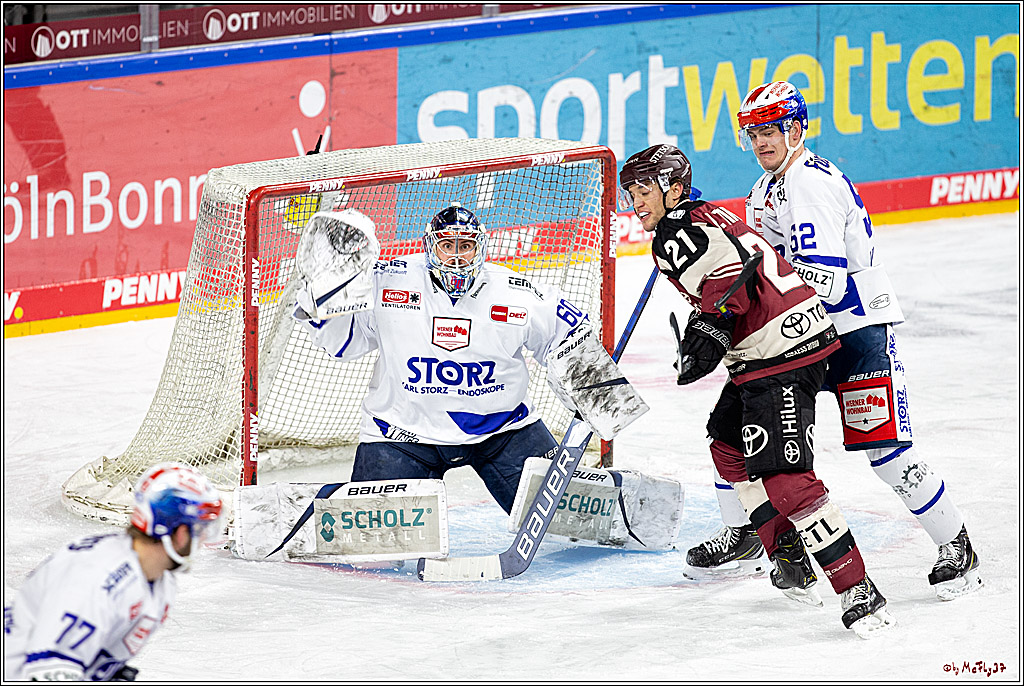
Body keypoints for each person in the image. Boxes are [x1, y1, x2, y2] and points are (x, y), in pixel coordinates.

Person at [686, 80, 982, 601]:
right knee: (731, 432)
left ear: (796, 129)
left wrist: (748, 309)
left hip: (853, 336)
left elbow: (824, 281)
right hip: (797, 341)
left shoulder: (809, 185)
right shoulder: (766, 189)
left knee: (887, 454)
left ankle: (956, 544)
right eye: (751, 133)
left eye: (770, 130)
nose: (760, 142)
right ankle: (749, 534)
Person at [619, 143, 894, 636]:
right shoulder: (699, 215)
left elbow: (734, 287)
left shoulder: (675, 231)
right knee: (726, 443)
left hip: (781, 354)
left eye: (644, 189)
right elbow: (733, 277)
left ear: (674, 188)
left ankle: (858, 590)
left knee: (788, 479)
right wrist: (713, 325)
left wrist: (710, 331)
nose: (635, 201)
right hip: (772, 348)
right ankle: (786, 552)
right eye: (631, 192)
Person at [292, 203, 590, 515]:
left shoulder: (514, 291)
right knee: (376, 545)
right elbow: (343, 344)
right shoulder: (386, 282)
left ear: (481, 248)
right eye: (447, 245)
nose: (457, 256)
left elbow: (569, 333)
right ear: (430, 247)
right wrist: (319, 298)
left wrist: (595, 393)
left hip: (503, 431)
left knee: (571, 521)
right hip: (401, 433)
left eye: (466, 245)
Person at [4, 463, 223, 681]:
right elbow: (47, 671)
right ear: (178, 532)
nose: (203, 539)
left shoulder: (160, 581)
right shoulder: (96, 576)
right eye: (200, 529)